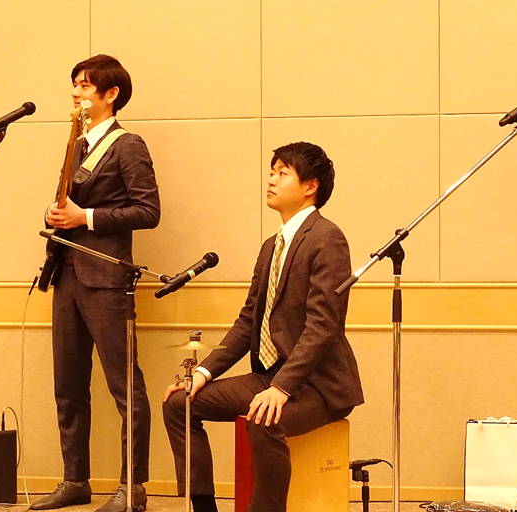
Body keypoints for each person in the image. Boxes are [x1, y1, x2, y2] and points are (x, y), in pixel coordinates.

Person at [163, 141, 364, 512]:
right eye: (272, 172)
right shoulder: (273, 245)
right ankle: (204, 509)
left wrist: (282, 387)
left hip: (319, 385)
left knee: (263, 419)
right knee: (179, 403)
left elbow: (322, 326)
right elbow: (248, 320)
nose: (271, 180)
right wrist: (204, 373)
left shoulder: (327, 238)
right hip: (268, 377)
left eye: (282, 173)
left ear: (311, 186)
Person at [31, 55, 160, 512]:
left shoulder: (128, 145)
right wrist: (56, 214)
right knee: (67, 386)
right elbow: (66, 205)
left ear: (111, 94)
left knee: (126, 388)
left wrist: (84, 216)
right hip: (66, 275)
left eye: (85, 86)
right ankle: (75, 480)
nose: (76, 92)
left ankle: (133, 488)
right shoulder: (76, 143)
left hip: (106, 280)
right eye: (75, 84)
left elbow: (148, 211)